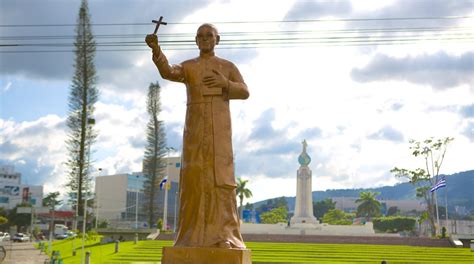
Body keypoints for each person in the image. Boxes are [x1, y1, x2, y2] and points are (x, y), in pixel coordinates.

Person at [145, 23, 249, 249]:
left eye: (209, 36)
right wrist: (156, 51)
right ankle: (191, 237)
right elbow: (168, 72)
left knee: (220, 180)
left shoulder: (227, 66)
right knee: (193, 180)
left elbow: (244, 91)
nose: (204, 39)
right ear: (196, 40)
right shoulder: (189, 66)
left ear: (217, 39)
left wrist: (225, 84)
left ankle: (225, 236)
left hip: (220, 131)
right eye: (200, 36)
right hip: (194, 130)